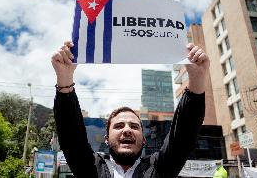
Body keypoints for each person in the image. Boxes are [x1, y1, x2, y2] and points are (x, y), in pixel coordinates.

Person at [52, 41, 210, 178]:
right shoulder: (91, 168)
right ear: (106, 138)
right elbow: (71, 136)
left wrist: (197, 78)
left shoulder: (159, 169)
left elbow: (183, 136)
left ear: (144, 140)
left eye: (134, 126)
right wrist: (64, 77)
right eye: (119, 125)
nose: (127, 130)